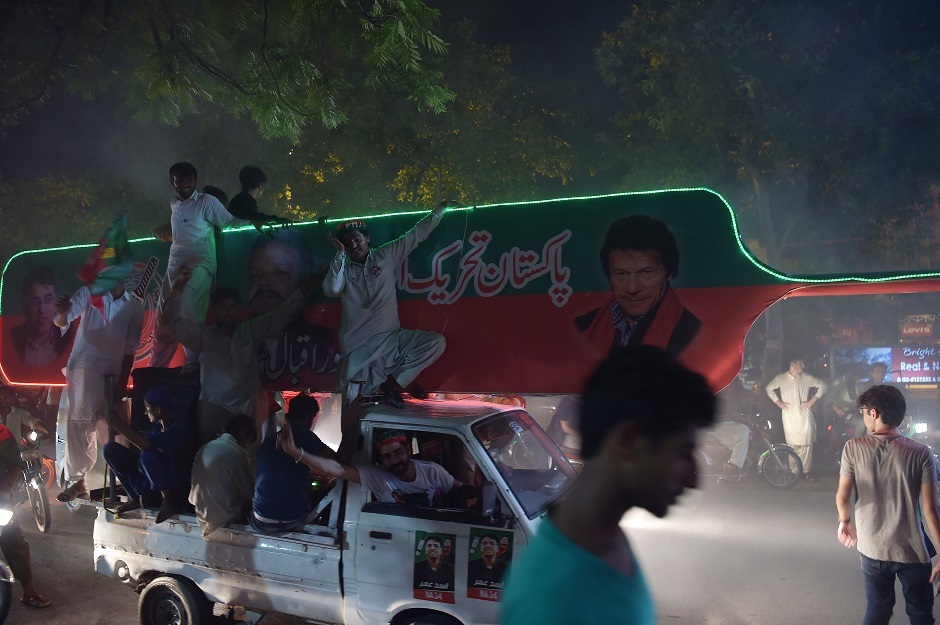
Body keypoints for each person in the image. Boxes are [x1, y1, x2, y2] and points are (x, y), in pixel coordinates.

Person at [501, 345, 716, 625]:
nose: (694, 479)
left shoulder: (606, 539)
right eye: (682, 452)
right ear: (628, 442)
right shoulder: (554, 602)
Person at [161, 265, 316, 443]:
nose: (228, 311)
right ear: (214, 310)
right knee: (214, 456)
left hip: (248, 408)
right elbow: (168, 322)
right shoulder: (203, 336)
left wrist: (303, 289)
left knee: (249, 459)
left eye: (232, 307)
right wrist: (179, 287)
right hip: (215, 407)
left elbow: (281, 315)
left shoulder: (249, 330)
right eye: (223, 307)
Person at [323, 201, 452, 406]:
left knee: (435, 343)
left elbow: (416, 234)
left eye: (357, 239)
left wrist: (440, 210)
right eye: (347, 243)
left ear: (367, 238)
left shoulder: (385, 255)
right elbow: (331, 289)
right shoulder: (344, 270)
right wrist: (339, 255)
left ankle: (391, 386)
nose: (353, 245)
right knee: (354, 418)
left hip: (391, 340)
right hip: (357, 351)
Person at [151, 162, 278, 369]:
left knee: (190, 316)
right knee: (164, 317)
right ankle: (156, 369)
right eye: (180, 180)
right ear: (172, 182)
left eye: (189, 179)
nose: (185, 184)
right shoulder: (174, 204)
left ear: (195, 180)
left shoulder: (206, 201)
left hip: (199, 265)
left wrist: (253, 224)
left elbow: (229, 223)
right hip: (174, 267)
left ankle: (194, 365)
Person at [836, 384, 940, 625]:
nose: (864, 417)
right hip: (912, 551)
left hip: (872, 548)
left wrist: (845, 521)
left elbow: (842, 497)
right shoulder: (923, 453)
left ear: (873, 413)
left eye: (863, 411)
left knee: (878, 609)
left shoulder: (853, 448)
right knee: (920, 612)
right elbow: (930, 511)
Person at [53, 281, 144, 502]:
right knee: (80, 424)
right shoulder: (88, 293)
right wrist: (61, 313)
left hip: (111, 375)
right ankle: (78, 480)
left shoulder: (134, 306)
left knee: (116, 428)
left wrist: (122, 382)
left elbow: (130, 349)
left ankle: (128, 483)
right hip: (84, 368)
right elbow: (61, 321)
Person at [574, 215, 700, 357]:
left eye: (646, 272)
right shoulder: (583, 327)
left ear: (669, 272)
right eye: (621, 274)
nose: (632, 288)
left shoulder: (692, 333)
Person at [277, 424, 469, 507]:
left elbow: (460, 490)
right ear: (381, 461)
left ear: (408, 450)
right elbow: (335, 469)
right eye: (387, 457)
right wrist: (295, 452)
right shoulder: (378, 476)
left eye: (398, 452)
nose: (394, 460)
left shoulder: (432, 472)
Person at [250, 393, 350, 535]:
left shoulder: (270, 440)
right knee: (331, 488)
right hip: (287, 521)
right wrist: (348, 424)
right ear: (309, 418)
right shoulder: (304, 435)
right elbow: (340, 464)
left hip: (259, 518)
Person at [103, 385, 197, 523]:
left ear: (158, 409)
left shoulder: (178, 430)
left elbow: (146, 445)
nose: (146, 412)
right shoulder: (157, 427)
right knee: (110, 450)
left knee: (148, 456)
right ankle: (139, 498)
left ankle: (168, 500)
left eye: (148, 408)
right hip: (151, 484)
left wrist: (116, 422)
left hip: (173, 485)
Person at [0, 423, 50, 608]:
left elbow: (15, 466)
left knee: (14, 541)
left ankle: (29, 592)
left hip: (0, 500)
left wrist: (4, 491)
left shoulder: (2, 433)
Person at [189, 414, 256, 538]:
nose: (246, 447)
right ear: (243, 432)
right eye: (247, 443)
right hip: (224, 517)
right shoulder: (238, 453)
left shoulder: (207, 446)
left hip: (201, 514)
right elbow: (249, 493)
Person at [764, 357, 827, 481]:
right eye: (801, 363)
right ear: (792, 365)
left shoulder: (807, 378)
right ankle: (793, 471)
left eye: (804, 363)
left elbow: (823, 385)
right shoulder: (781, 378)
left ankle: (805, 471)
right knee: (792, 445)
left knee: (806, 444)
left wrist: (812, 401)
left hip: (804, 416)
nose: (803, 366)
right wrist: (779, 403)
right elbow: (769, 388)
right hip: (789, 416)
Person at [10, 266, 74, 367]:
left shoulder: (69, 339)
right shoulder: (12, 339)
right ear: (25, 305)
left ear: (55, 301)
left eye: (48, 300)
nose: (42, 310)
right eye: (35, 302)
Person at [227, 165, 291, 231]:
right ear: (261, 185)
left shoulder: (237, 200)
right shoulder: (246, 201)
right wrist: (275, 219)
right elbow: (254, 217)